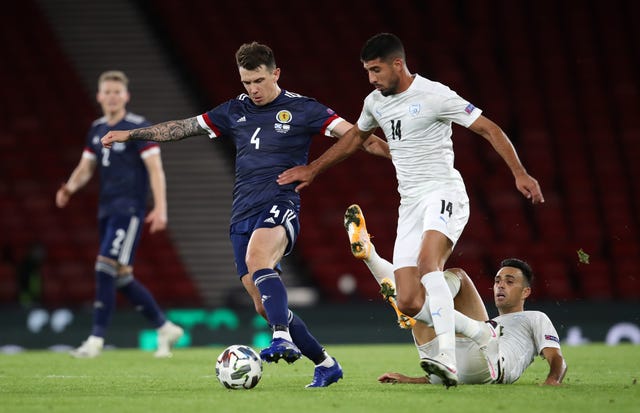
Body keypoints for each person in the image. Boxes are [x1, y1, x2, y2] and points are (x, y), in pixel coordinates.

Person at [100, 42, 390, 387]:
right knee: (263, 306)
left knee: (258, 258)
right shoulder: (233, 110)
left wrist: (401, 157)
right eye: (246, 82)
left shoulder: (303, 109)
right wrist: (133, 135)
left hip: (281, 200)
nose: (253, 89)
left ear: (275, 73)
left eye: (258, 80)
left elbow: (362, 138)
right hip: (242, 212)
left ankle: (281, 337)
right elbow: (183, 128)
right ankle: (326, 363)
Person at [277, 33, 545, 386]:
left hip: (444, 193)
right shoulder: (375, 102)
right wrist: (313, 169)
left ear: (398, 64)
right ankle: (480, 334)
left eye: (376, 70)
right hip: (411, 204)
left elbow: (488, 128)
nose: (371, 78)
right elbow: (356, 138)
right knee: (407, 301)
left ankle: (447, 359)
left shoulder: (435, 95)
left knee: (428, 265)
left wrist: (519, 172)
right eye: (367, 71)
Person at [342, 207, 566, 385]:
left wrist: (552, 380)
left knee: (454, 278)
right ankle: (372, 257)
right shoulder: (486, 321)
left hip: (490, 364)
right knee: (435, 308)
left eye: (509, 282)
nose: (500, 286)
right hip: (445, 368)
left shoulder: (535, 318)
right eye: (497, 280)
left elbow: (557, 359)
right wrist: (411, 380)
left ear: (526, 291)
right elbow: (462, 372)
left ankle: (374, 259)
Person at [56, 70, 184, 358]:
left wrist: (160, 207)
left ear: (126, 96)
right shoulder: (97, 128)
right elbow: (85, 167)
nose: (112, 97)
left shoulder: (137, 128)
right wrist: (70, 188)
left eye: (117, 92)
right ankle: (165, 328)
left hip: (129, 210)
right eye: (107, 92)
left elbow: (155, 170)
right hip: (106, 209)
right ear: (99, 96)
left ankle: (96, 340)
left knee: (104, 266)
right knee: (122, 276)